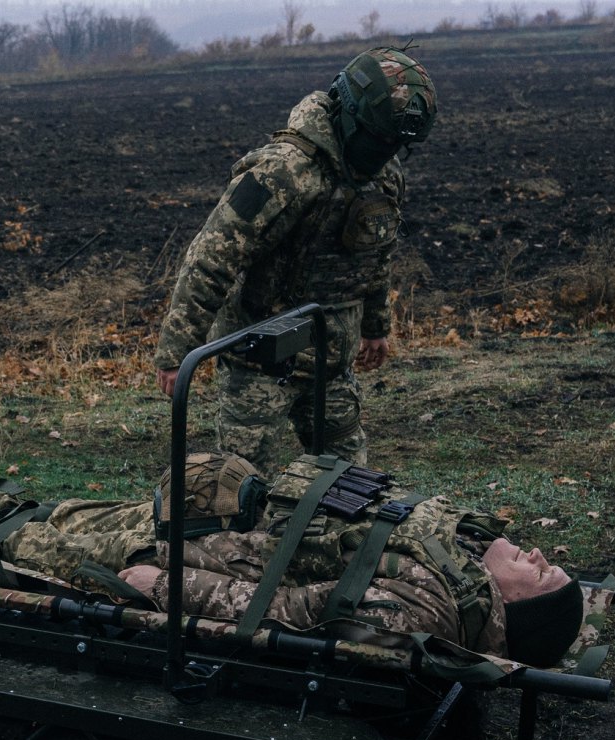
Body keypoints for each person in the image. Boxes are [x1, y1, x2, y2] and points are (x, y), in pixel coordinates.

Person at [0, 449, 586, 668]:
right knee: (53, 515)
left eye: (542, 572)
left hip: (185, 557)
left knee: (21, 540)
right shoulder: (457, 568)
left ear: (515, 605)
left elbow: (290, 614)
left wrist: (167, 583)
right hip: (222, 530)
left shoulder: (429, 605)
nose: (535, 553)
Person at [154, 47, 437, 476]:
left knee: (349, 490)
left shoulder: (383, 175)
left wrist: (376, 327)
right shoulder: (283, 172)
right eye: (379, 140)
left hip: (331, 361)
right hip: (259, 364)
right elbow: (212, 256)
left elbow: (376, 254)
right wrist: (177, 353)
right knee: (244, 492)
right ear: (351, 116)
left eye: (396, 144)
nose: (386, 152)